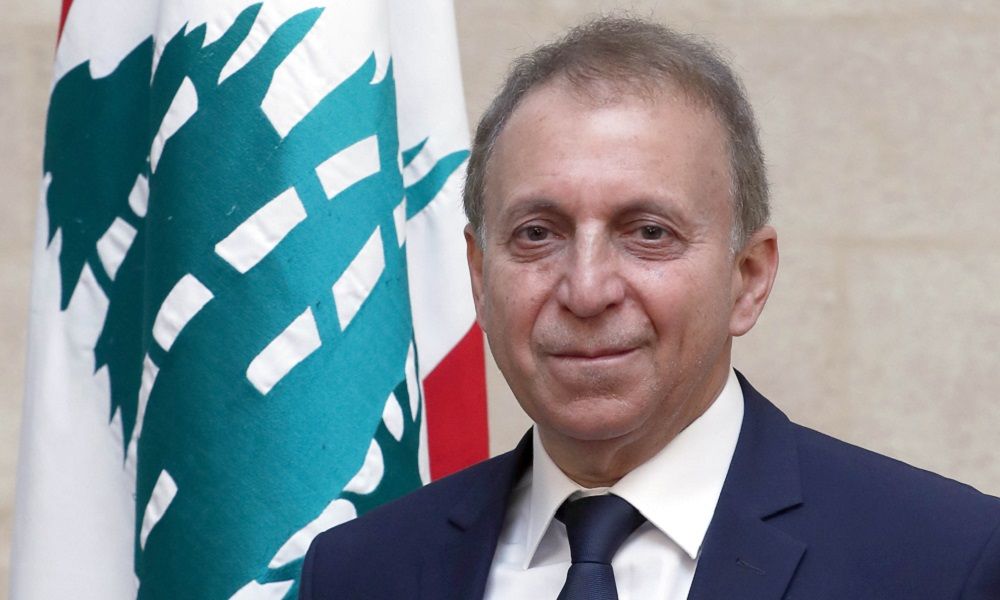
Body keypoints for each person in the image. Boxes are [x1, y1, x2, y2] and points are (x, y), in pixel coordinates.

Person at [299, 16, 1000, 599]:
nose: (586, 290)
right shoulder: (359, 573)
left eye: (649, 233)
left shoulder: (946, 562)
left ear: (749, 279)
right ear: (480, 277)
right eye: (538, 234)